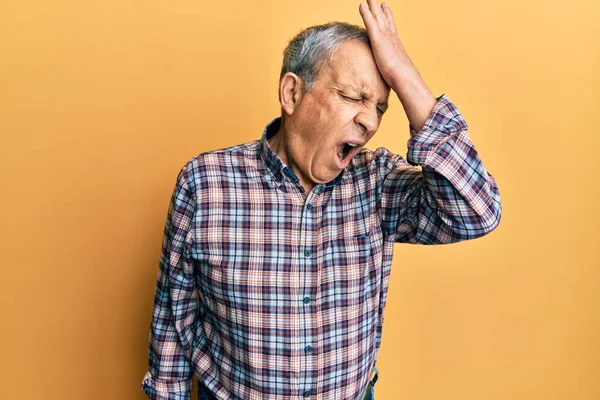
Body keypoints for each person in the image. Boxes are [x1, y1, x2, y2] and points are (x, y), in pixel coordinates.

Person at [141, 1, 502, 399]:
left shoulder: (376, 182)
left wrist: (403, 72)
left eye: (381, 106)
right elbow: (173, 325)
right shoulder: (205, 183)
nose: (370, 121)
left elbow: (476, 211)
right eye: (353, 96)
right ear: (293, 93)